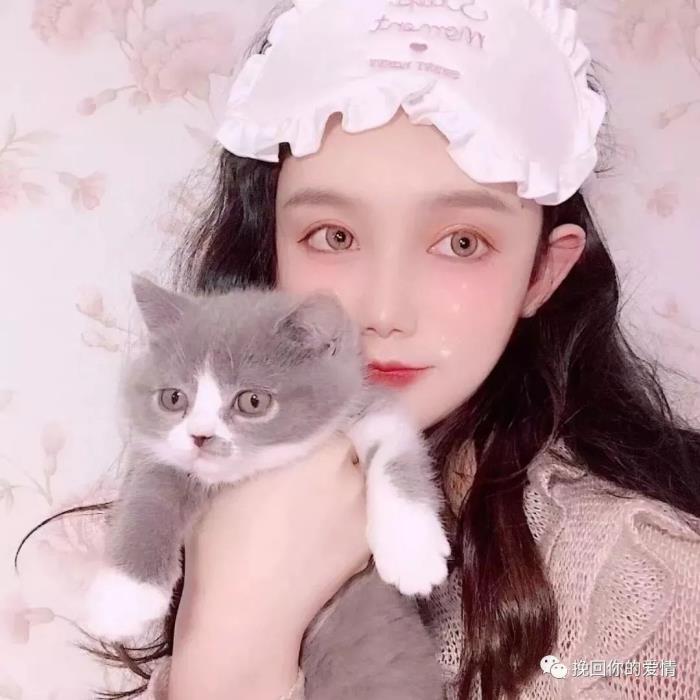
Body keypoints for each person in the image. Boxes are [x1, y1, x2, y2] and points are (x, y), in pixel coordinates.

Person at [17, 0, 700, 698]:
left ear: (542, 274)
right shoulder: (202, 490)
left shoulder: (652, 587)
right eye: (334, 237)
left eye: (462, 242)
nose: (381, 312)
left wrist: (233, 636)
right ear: (271, 252)